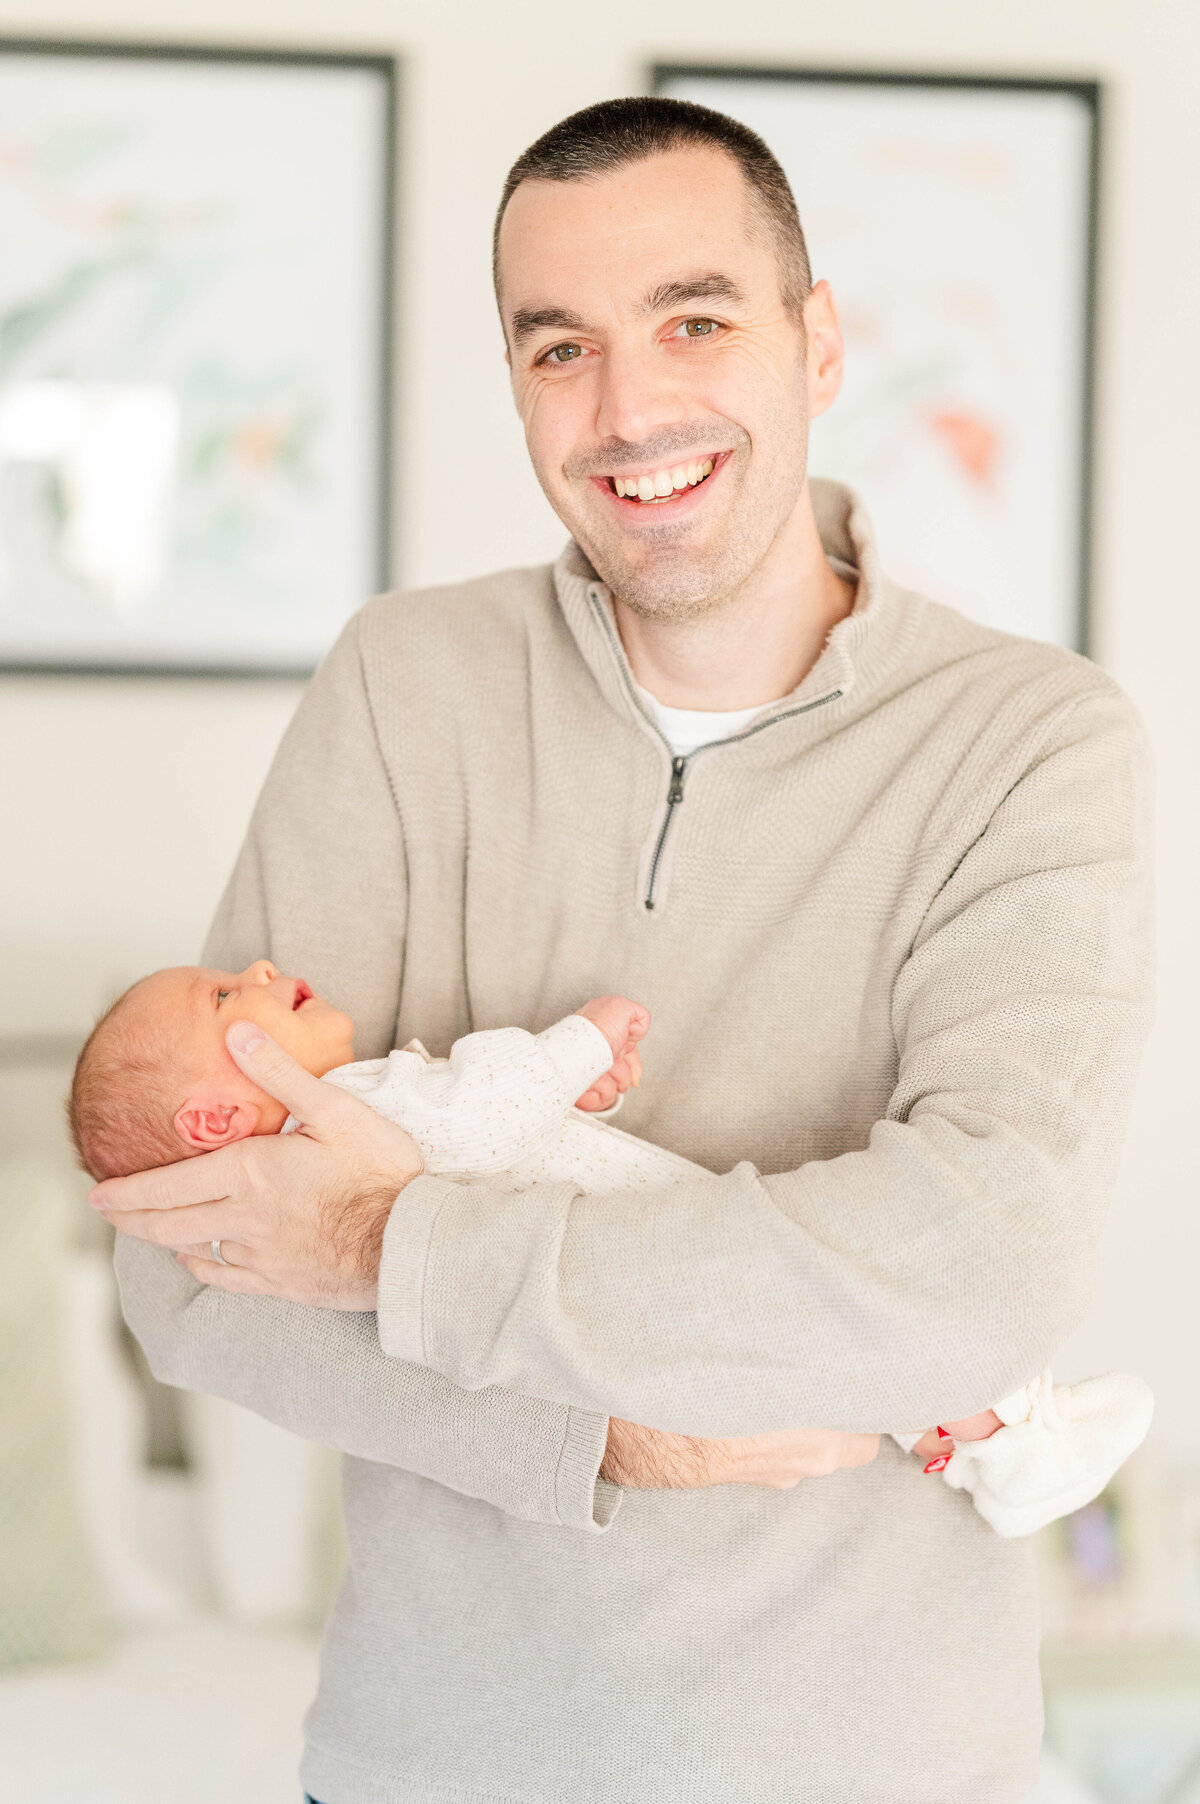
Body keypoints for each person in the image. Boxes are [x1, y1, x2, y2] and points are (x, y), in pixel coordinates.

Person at [94, 97, 1154, 1803]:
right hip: (417, 1767)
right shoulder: (401, 685)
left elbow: (982, 1265)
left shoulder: (1033, 738)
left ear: (818, 344)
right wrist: (623, 1437)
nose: (629, 407)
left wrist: (387, 1239)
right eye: (558, 347)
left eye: (697, 321)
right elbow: (184, 1260)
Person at [75, 959, 1153, 1540]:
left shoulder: (302, 1175)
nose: (261, 963)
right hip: (636, 1241)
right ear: (216, 1124)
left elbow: (474, 1147)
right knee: (826, 1314)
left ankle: (991, 1437)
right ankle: (1013, 1441)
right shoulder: (343, 1113)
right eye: (226, 995)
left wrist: (564, 1101)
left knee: (822, 1343)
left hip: (589, 1270)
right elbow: (479, 1115)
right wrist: (577, 1042)